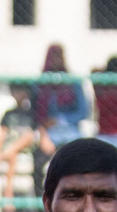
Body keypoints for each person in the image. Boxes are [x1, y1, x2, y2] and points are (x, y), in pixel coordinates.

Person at [33, 44, 90, 199]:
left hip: (70, 134)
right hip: (49, 136)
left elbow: (84, 112)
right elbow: (36, 116)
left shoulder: (73, 82)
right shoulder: (40, 84)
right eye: (54, 56)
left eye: (60, 56)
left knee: (71, 163)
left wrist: (59, 120)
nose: (57, 60)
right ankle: (40, 207)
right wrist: (44, 135)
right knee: (38, 163)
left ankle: (72, 201)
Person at [0, 81, 40, 212]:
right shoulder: (9, 114)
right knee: (12, 156)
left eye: (22, 91)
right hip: (11, 150)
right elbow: (2, 133)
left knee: (28, 136)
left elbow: (33, 134)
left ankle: (9, 152)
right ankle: (9, 196)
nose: (19, 94)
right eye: (16, 91)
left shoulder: (31, 113)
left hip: (25, 147)